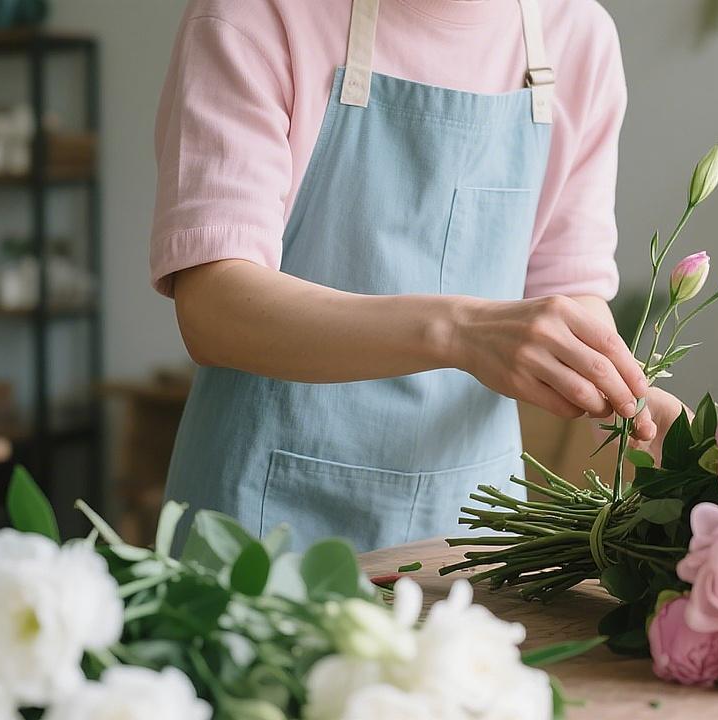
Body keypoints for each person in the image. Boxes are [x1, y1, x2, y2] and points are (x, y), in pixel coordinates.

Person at [150, 0, 685, 552]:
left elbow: (571, 297)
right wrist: (460, 331)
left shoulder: (576, 36)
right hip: (260, 521)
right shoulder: (256, 13)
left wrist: (628, 397)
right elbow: (213, 308)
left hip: (472, 526)